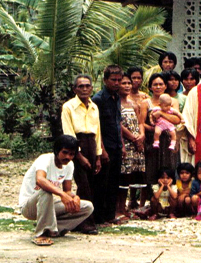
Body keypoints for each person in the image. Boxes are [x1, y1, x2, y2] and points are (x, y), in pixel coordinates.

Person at [19, 135, 94, 246]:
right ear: (56, 150)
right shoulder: (45, 159)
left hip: (48, 205)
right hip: (29, 206)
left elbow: (67, 191)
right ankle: (41, 234)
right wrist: (61, 194)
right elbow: (40, 180)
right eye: (65, 152)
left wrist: (75, 198)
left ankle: (53, 229)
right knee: (46, 191)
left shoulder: (69, 165)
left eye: (72, 154)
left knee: (87, 207)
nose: (68, 157)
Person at [61, 74, 101, 234]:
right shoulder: (68, 107)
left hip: (92, 144)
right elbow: (69, 133)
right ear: (74, 89)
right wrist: (78, 155)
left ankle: (85, 217)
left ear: (92, 88)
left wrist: (98, 156)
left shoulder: (94, 106)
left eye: (87, 86)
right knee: (83, 185)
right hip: (76, 146)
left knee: (92, 185)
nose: (84, 89)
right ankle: (85, 223)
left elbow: (97, 132)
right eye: (80, 86)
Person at [92, 65, 125, 225]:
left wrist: (123, 145)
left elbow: (118, 123)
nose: (117, 83)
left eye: (119, 80)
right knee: (101, 184)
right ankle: (99, 217)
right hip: (105, 147)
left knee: (114, 182)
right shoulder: (98, 99)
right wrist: (102, 150)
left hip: (117, 146)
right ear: (105, 80)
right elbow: (96, 127)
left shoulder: (117, 97)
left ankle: (110, 216)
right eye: (113, 80)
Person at [140, 74, 180, 197]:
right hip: (154, 138)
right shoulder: (146, 103)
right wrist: (152, 128)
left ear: (165, 86)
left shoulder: (173, 101)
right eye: (155, 84)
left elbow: (176, 120)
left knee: (170, 166)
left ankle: (170, 200)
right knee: (151, 167)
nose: (158, 87)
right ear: (150, 87)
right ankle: (151, 200)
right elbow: (141, 123)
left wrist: (161, 114)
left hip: (169, 138)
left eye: (161, 84)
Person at [118, 73, 145, 216]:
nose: (127, 86)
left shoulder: (133, 104)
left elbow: (140, 122)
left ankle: (128, 207)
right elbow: (119, 125)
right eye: (124, 83)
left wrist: (141, 135)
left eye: (129, 83)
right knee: (123, 176)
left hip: (136, 144)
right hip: (126, 142)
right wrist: (134, 138)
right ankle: (119, 208)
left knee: (131, 176)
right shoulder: (116, 103)